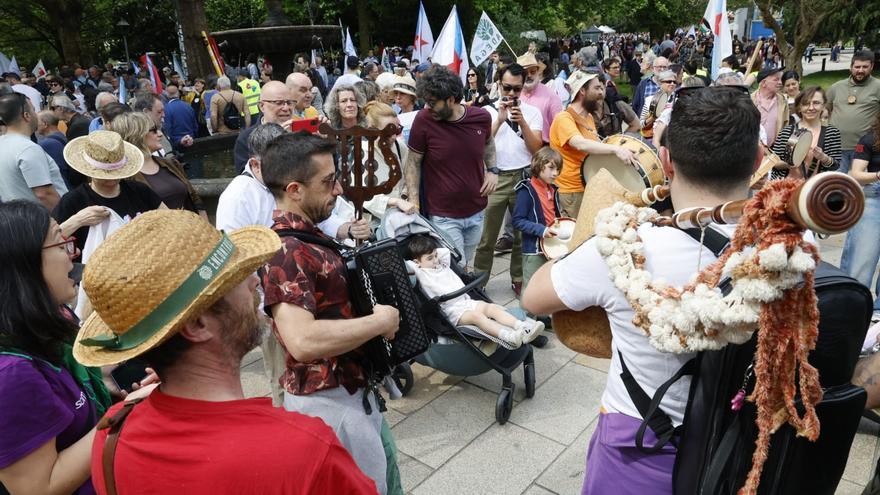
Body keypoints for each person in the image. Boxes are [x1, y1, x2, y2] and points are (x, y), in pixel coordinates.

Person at [522, 86, 763, 494]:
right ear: (757, 160)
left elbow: (533, 297)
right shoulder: (790, 248)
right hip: (746, 447)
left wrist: (591, 228)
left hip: (642, 449)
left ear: (665, 160)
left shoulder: (628, 246)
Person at [70, 209, 377, 495]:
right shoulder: (303, 452)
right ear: (198, 324)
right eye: (235, 278)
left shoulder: (111, 434)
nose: (254, 280)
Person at [259, 133, 400, 494]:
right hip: (330, 402)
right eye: (327, 181)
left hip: (350, 391)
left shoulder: (307, 237)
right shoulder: (286, 251)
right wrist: (379, 322)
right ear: (295, 190)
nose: (337, 189)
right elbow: (302, 341)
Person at [0, 200, 115, 495]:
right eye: (61, 243)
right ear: (22, 263)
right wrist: (127, 412)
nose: (72, 255)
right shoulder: (9, 374)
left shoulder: (43, 325)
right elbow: (39, 487)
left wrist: (103, 383)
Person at [404, 65, 497, 269]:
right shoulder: (424, 120)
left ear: (451, 99)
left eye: (432, 103)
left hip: (477, 210)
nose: (427, 107)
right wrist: (414, 202)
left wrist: (492, 170)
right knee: (455, 265)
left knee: (465, 261)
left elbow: (488, 143)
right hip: (443, 215)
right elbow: (413, 162)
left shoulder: (481, 118)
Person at [473, 63, 543, 295]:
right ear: (498, 85)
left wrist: (521, 121)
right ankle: (479, 282)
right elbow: (478, 147)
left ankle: (518, 278)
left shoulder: (532, 112)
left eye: (517, 89)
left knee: (521, 235)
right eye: (507, 88)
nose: (512, 94)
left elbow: (536, 150)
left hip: (523, 177)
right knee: (487, 237)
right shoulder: (486, 112)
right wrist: (500, 120)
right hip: (495, 177)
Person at [406, 234, 544, 348]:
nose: (435, 260)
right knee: (477, 317)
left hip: (465, 300)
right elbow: (406, 265)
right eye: (430, 258)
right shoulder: (420, 272)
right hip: (452, 310)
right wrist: (419, 260)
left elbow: (444, 251)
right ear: (417, 262)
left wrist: (431, 250)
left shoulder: (442, 264)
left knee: (491, 308)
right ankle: (508, 336)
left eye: (435, 255)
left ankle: (523, 327)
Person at [52, 130, 163, 255]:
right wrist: (78, 220)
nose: (111, 181)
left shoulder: (140, 191)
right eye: (103, 175)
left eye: (117, 173)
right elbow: (49, 243)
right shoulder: (73, 201)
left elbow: (169, 220)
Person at [550, 70, 636, 218]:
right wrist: (616, 150)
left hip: (590, 185)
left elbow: (594, 149)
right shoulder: (564, 118)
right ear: (582, 90)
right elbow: (580, 144)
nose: (602, 92)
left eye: (602, 88)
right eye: (596, 88)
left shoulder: (589, 117)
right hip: (572, 191)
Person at [112, 112, 207, 220]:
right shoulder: (125, 177)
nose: (160, 134)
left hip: (192, 231)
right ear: (137, 135)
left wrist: (207, 228)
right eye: (153, 130)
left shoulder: (171, 164)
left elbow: (195, 200)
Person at [840, 112, 880, 322]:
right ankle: (850, 313)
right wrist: (878, 175)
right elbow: (855, 174)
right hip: (873, 198)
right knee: (861, 263)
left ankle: (877, 315)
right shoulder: (870, 138)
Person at [0, 93, 67, 208]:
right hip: (45, 220)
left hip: (19, 219)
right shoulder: (27, 148)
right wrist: (66, 217)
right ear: (26, 116)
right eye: (33, 110)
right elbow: (44, 194)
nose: (36, 115)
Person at [512, 146, 562, 290]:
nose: (555, 173)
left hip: (551, 246)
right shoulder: (526, 190)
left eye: (558, 169)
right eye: (551, 168)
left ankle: (544, 313)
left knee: (548, 287)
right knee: (532, 288)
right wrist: (541, 230)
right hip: (534, 249)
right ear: (538, 165)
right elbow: (517, 221)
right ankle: (529, 313)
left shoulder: (552, 189)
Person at [827, 50, 880, 174]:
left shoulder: (878, 87)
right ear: (851, 67)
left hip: (865, 150)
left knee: (862, 188)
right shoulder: (836, 87)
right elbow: (825, 111)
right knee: (837, 185)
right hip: (837, 147)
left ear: (871, 66)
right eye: (857, 67)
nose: (860, 70)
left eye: (865, 67)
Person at [770, 87, 841, 179]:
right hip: (787, 186)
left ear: (823, 106)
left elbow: (835, 165)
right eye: (806, 104)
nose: (811, 108)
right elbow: (774, 163)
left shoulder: (832, 132)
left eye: (816, 103)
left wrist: (823, 157)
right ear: (799, 107)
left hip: (815, 187)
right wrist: (791, 162)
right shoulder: (787, 132)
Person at [233, 81, 294, 174]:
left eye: (289, 103)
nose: (286, 108)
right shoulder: (246, 137)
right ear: (262, 106)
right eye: (279, 103)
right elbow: (246, 176)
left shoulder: (300, 131)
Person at [518, 53, 563, 144]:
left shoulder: (551, 95)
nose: (529, 75)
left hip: (542, 152)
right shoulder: (513, 94)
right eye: (525, 73)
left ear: (538, 72)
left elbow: (559, 127)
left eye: (532, 72)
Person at [751, 67, 789, 147]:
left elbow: (785, 125)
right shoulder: (749, 101)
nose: (780, 83)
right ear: (764, 83)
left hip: (774, 151)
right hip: (752, 150)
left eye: (780, 79)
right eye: (776, 80)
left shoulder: (783, 101)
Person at [162, 84, 197, 155]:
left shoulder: (166, 109)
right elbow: (195, 126)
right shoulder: (188, 106)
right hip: (191, 140)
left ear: (167, 94)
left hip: (177, 144)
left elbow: (168, 129)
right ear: (178, 93)